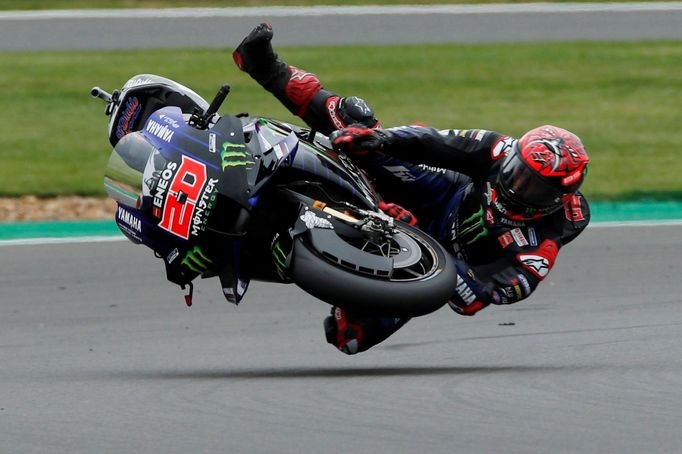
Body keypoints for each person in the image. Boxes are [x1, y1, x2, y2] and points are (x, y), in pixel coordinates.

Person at [233, 23, 591, 354]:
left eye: (533, 187)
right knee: (354, 120)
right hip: (442, 194)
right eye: (517, 171)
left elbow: (472, 299)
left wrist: (414, 234)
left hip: (442, 265)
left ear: (558, 198)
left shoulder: (546, 239)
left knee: (348, 337)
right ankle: (263, 65)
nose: (516, 183)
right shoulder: (502, 149)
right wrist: (379, 138)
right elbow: (435, 141)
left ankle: (285, 246)